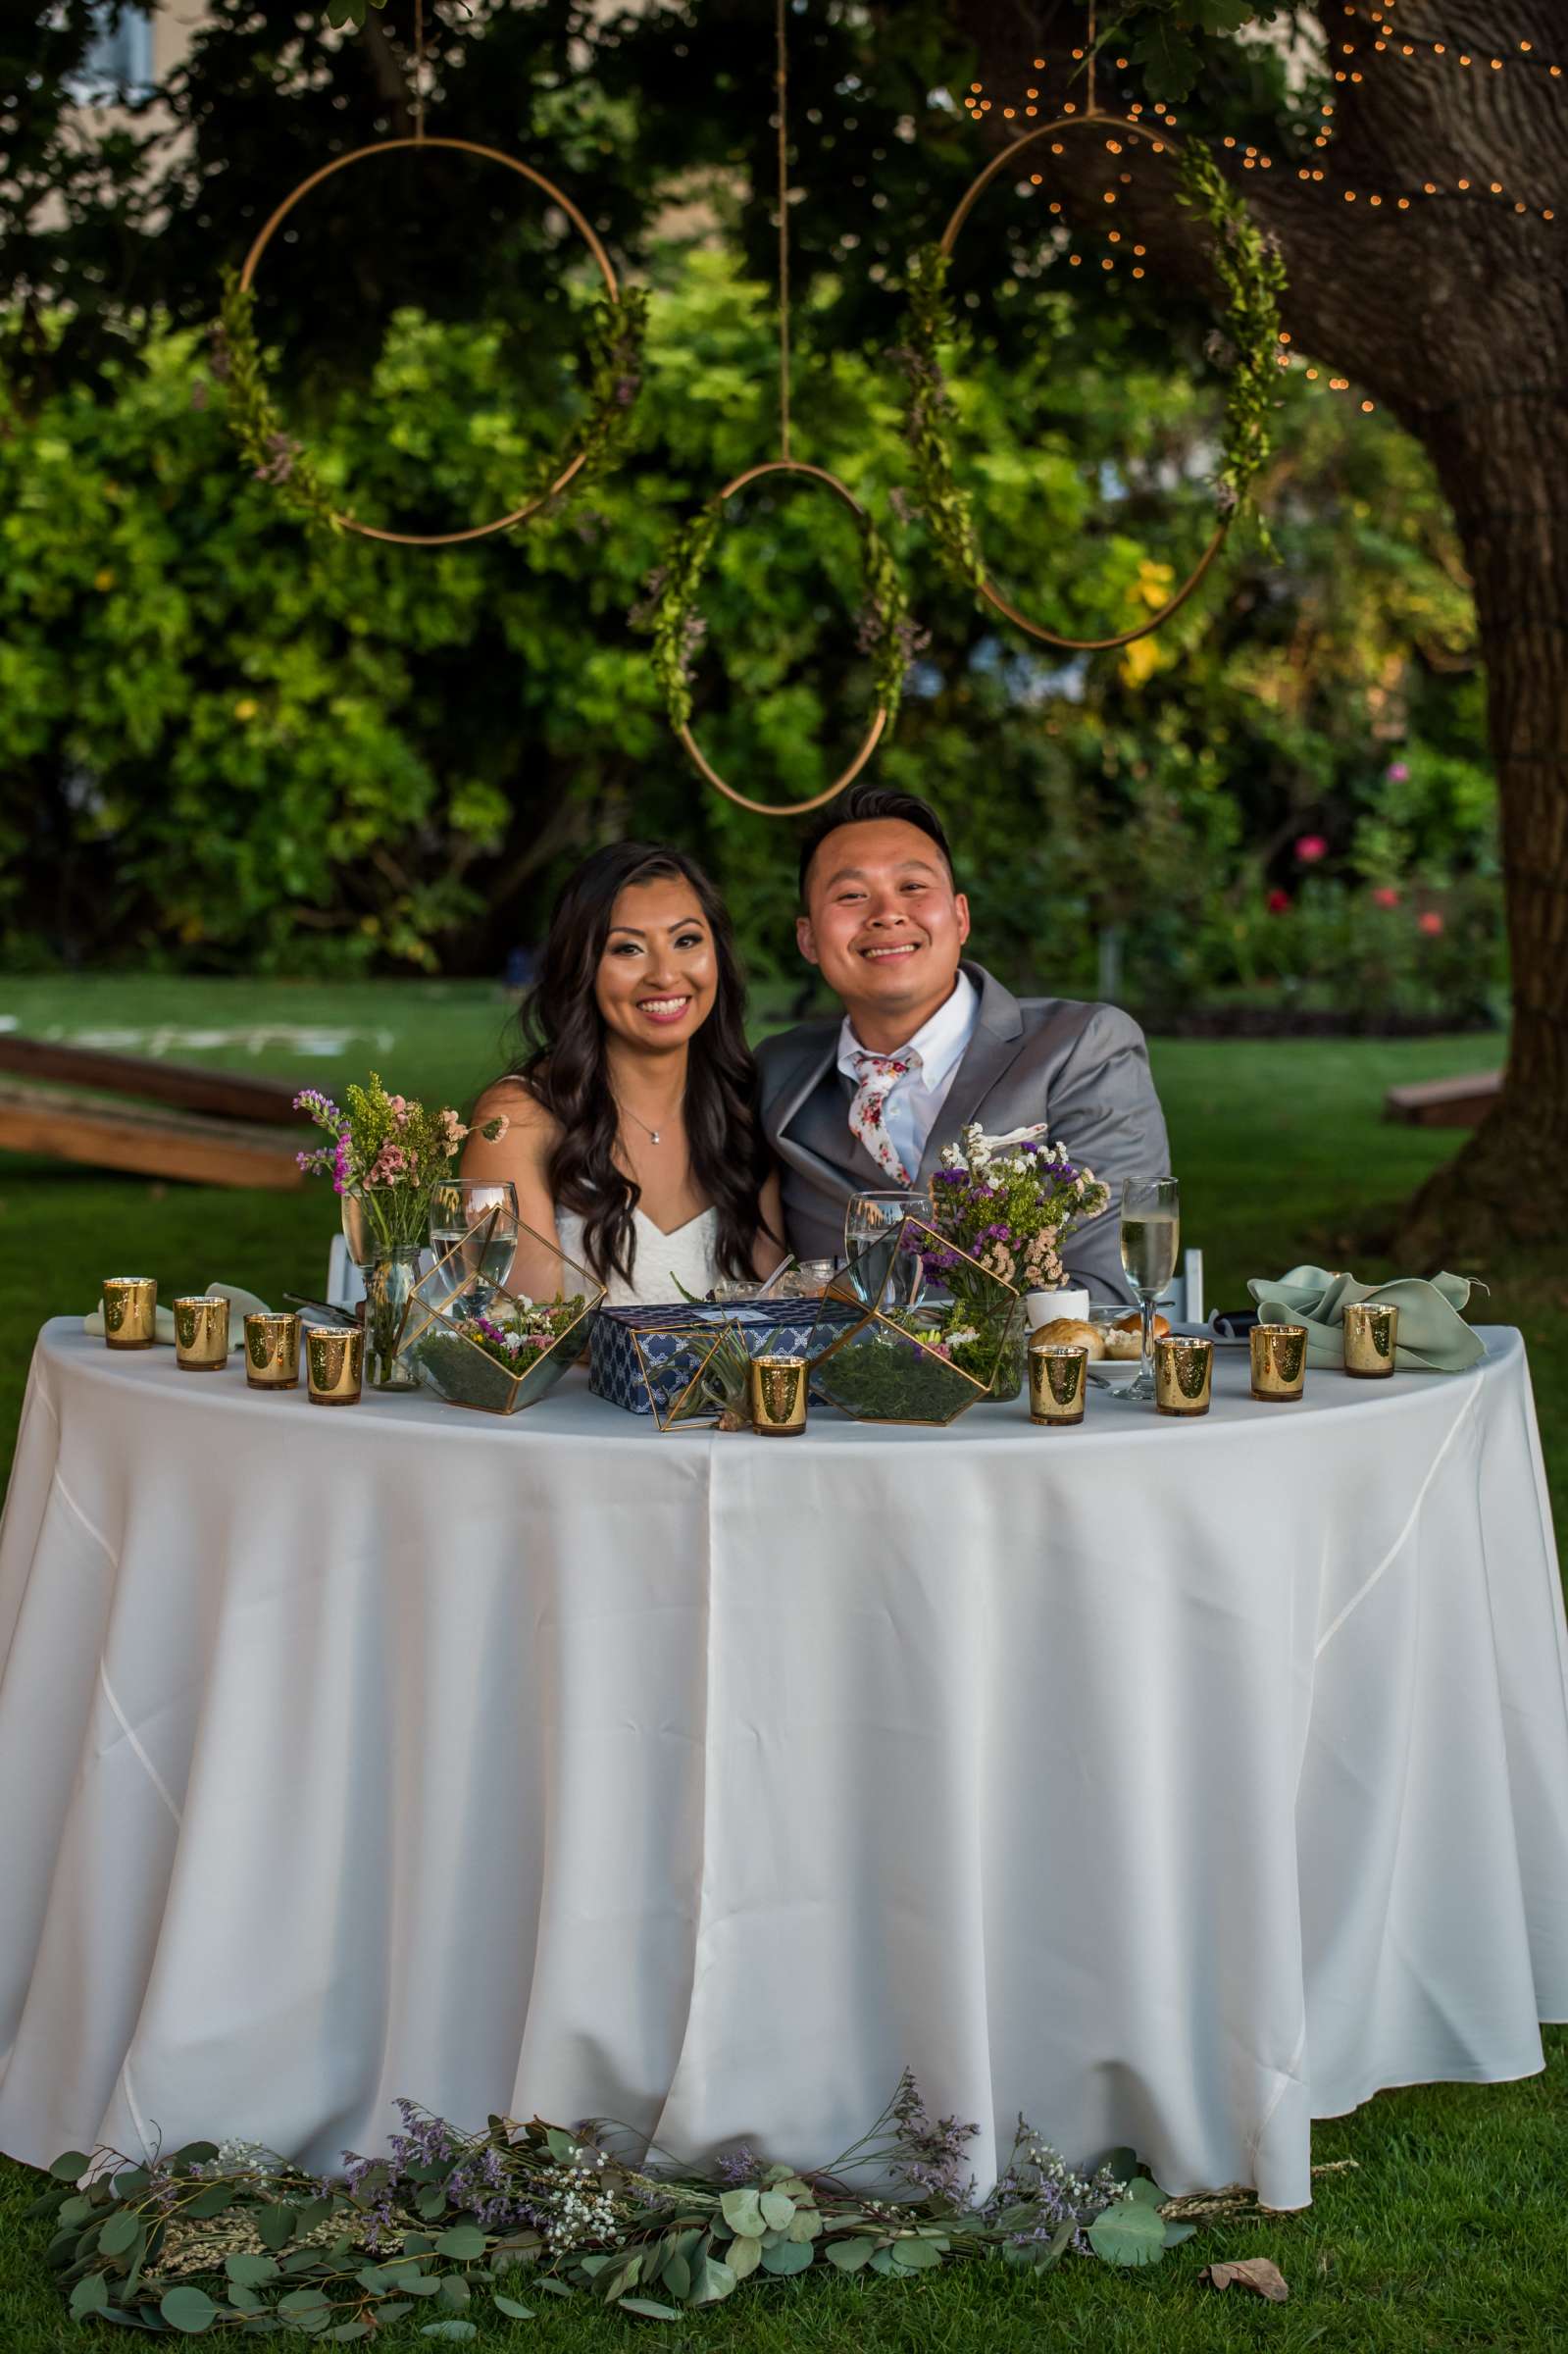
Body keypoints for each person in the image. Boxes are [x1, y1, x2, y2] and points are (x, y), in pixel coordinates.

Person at [756, 785, 1170, 1305]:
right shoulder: (777, 1073)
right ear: (809, 939)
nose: (887, 912)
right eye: (851, 895)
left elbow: (1106, 1295)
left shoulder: (1083, 1049)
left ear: (960, 918)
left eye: (912, 886)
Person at [464, 843, 785, 1305]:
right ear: (582, 966)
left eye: (686, 941)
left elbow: (775, 1321)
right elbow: (533, 1338)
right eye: (628, 948)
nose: (664, 975)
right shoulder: (517, 1119)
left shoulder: (746, 1110)